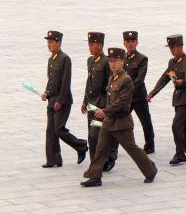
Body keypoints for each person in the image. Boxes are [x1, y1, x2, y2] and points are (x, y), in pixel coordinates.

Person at [81, 47, 157, 187]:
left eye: (116, 61)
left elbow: (122, 102)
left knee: (132, 149)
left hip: (122, 122)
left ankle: (150, 170)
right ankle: (95, 177)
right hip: (109, 122)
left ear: (122, 62)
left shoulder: (126, 80)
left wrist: (105, 111)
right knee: (101, 149)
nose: (112, 64)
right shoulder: (112, 78)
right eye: (110, 61)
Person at [148, 35, 186, 165]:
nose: (172, 50)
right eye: (170, 48)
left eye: (174, 47)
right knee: (184, 126)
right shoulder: (172, 62)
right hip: (178, 99)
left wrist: (184, 81)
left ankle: (180, 154)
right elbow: (165, 78)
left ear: (180, 47)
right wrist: (152, 93)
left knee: (176, 125)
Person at [42, 30, 88, 168]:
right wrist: (46, 93)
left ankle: (81, 146)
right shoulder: (51, 59)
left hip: (63, 101)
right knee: (50, 131)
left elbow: (66, 82)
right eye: (48, 42)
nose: (48, 45)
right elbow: (51, 80)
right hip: (52, 100)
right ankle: (53, 160)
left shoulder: (65, 59)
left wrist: (60, 101)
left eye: (51, 42)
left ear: (59, 42)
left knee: (59, 129)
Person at [81, 32, 117, 171]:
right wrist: (85, 101)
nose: (90, 46)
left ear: (100, 45)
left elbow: (110, 84)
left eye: (92, 44)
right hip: (91, 103)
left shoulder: (107, 62)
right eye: (89, 44)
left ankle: (108, 157)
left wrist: (107, 105)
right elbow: (88, 82)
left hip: (101, 104)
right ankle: (95, 162)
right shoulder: (90, 61)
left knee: (96, 134)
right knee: (92, 134)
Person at [123, 31, 155, 154]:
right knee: (120, 119)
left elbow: (140, 79)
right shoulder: (122, 57)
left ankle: (150, 145)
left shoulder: (142, 58)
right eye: (128, 42)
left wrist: (127, 90)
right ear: (124, 43)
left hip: (138, 96)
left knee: (145, 121)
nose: (130, 44)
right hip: (126, 97)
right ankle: (114, 146)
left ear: (137, 42)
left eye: (132, 41)